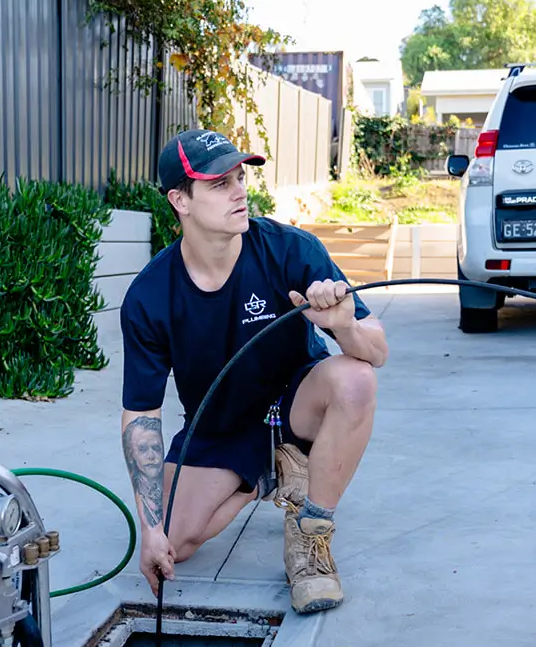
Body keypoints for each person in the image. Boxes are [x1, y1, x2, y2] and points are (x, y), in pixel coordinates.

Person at [118, 128, 388, 613]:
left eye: (240, 177)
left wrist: (344, 327)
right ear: (179, 199)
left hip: (295, 407)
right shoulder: (150, 296)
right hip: (220, 424)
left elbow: (376, 351)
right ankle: (267, 473)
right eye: (220, 184)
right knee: (175, 544)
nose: (240, 190)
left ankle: (310, 537)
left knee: (355, 379)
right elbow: (141, 417)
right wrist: (151, 527)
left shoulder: (290, 250)